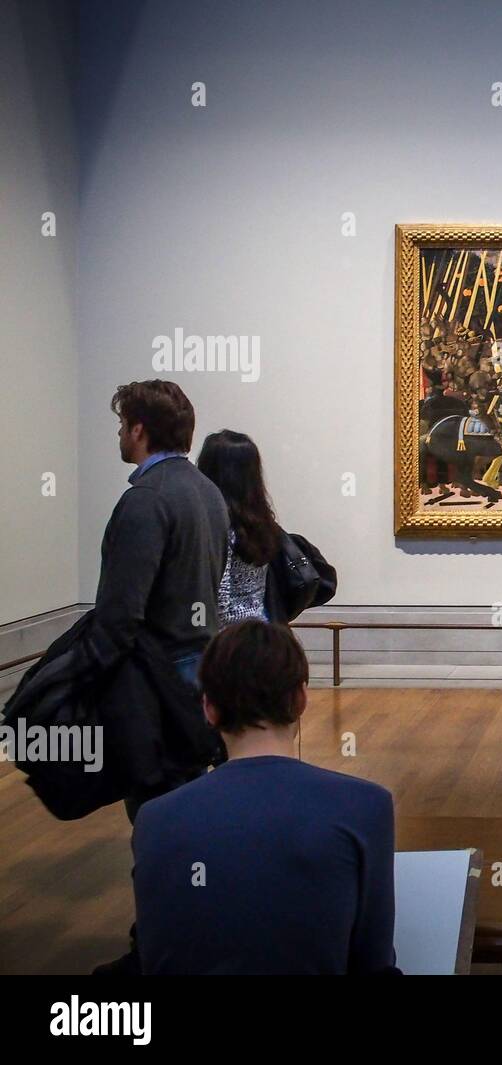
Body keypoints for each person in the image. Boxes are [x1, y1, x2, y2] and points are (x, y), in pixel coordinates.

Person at [131, 621, 398, 975]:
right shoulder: (366, 806)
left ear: (209, 707)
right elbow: (373, 961)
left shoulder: (154, 818)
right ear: (301, 699)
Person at [94, 380, 228, 733]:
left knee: (157, 783)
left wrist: (97, 674)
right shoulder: (208, 490)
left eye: (122, 425)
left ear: (138, 430)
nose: (120, 433)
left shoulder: (147, 497)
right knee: (189, 778)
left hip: (159, 668)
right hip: (202, 659)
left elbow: (122, 605)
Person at [196, 430, 280, 627]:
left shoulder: (219, 526)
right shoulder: (260, 521)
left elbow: (221, 604)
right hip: (260, 629)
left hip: (229, 642)